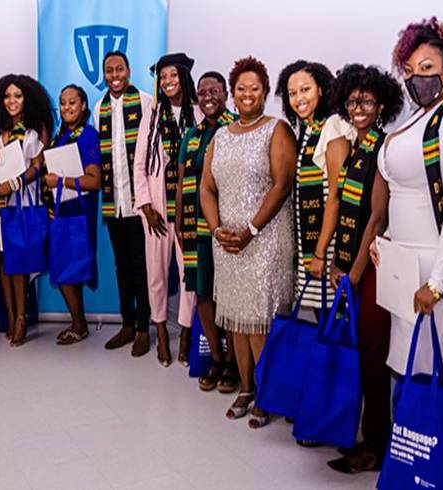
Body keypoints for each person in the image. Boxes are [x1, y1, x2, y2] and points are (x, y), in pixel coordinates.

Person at [369, 18, 443, 381]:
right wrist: (385, 241)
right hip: (403, 265)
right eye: (411, 70)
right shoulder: (415, 120)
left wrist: (437, 283)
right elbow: (403, 194)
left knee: (428, 375)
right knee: (404, 371)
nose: (418, 77)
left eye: (428, 68)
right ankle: (404, 440)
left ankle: (430, 441)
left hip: (438, 267)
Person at [201, 56, 297, 428]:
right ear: (232, 91)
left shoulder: (277, 129)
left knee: (258, 322)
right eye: (240, 88)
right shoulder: (220, 135)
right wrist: (216, 229)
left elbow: (281, 185)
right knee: (236, 323)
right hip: (227, 243)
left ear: (264, 92)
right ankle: (246, 387)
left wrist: (251, 231)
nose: (246, 94)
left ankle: (268, 393)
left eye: (254, 88)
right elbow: (208, 187)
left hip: (264, 241)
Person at [326, 64, 404, 473]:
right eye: (353, 100)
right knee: (359, 356)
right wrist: (339, 265)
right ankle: (363, 436)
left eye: (367, 101)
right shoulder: (354, 146)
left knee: (373, 358)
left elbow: (376, 218)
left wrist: (353, 273)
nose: (359, 107)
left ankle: (376, 446)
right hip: (351, 267)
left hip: (371, 270)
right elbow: (344, 216)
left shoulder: (382, 146)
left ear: (382, 105)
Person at [134, 53, 203, 367]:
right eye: (163, 77)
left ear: (185, 77)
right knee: (157, 273)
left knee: (189, 274)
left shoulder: (200, 113)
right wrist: (146, 205)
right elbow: (139, 163)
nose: (167, 82)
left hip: (189, 207)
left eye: (173, 76)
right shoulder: (153, 112)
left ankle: (186, 333)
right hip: (158, 209)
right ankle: (161, 331)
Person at [176, 71, 239, 393]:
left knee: (227, 294)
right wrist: (177, 218)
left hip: (227, 228)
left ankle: (233, 364)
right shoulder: (192, 134)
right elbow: (182, 176)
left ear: (226, 93)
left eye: (215, 89)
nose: (208, 95)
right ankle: (216, 358)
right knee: (202, 292)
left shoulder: (236, 128)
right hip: (195, 226)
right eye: (202, 91)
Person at [0, 74, 54, 347]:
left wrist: (14, 182)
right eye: (7, 96)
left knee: (18, 265)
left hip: (21, 206)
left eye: (18, 96)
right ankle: (10, 316)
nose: (12, 101)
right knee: (2, 261)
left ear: (27, 100)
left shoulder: (32, 132)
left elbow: (38, 167)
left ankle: (22, 318)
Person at [96, 51, 155, 357]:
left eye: (119, 69)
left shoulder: (145, 102)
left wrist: (146, 199)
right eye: (109, 70)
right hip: (113, 202)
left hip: (138, 204)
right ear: (104, 74)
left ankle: (144, 328)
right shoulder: (99, 108)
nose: (115, 74)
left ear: (129, 71)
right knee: (122, 266)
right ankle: (127, 324)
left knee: (141, 267)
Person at [275, 60, 337, 311]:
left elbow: (335, 196)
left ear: (321, 89)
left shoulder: (333, 125)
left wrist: (320, 253)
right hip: (309, 246)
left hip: (328, 247)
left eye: (305, 89)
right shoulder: (308, 131)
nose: (298, 98)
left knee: (330, 320)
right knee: (318, 316)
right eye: (292, 93)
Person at [44, 84, 102, 345]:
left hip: (78, 210)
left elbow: (94, 180)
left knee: (71, 267)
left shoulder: (87, 135)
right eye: (63, 103)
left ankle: (79, 325)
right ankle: (78, 323)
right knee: (66, 267)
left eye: (72, 103)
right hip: (61, 210)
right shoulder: (61, 136)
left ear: (83, 106)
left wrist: (59, 181)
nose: (67, 108)